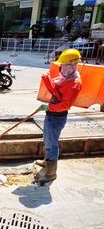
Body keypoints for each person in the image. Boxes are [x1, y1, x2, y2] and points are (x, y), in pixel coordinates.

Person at [35, 48, 82, 185]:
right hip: (51, 114)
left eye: (63, 66)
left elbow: (65, 105)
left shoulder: (75, 83)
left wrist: (49, 106)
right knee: (46, 139)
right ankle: (46, 161)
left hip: (57, 117)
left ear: (71, 65)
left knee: (52, 145)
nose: (61, 68)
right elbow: (57, 82)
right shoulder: (67, 77)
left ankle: (51, 173)